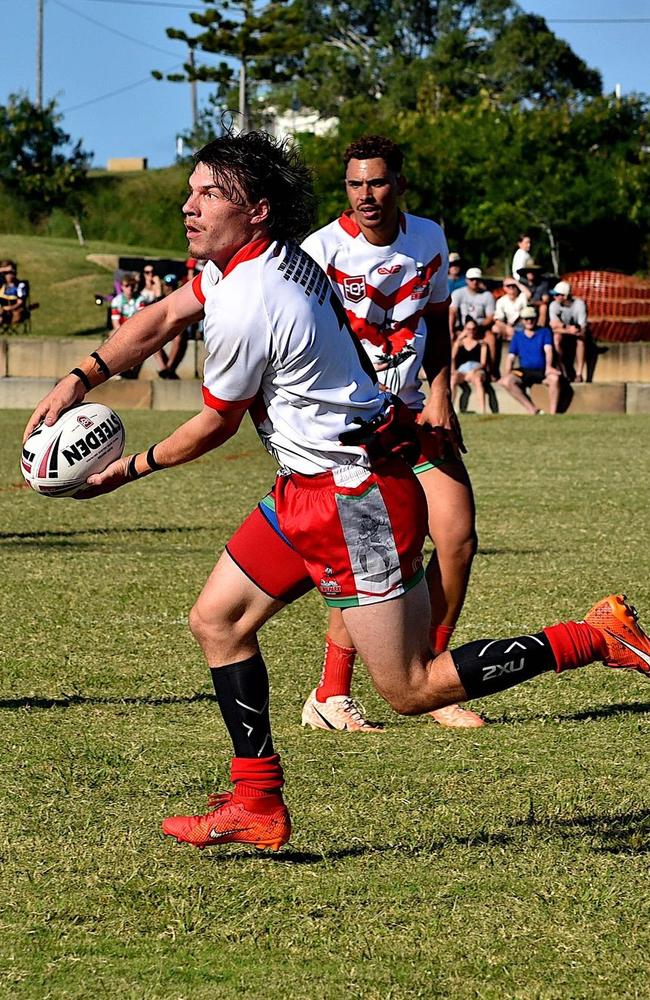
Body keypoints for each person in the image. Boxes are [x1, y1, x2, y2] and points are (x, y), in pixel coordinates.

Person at [24, 131, 650, 854]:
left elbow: (211, 427)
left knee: (412, 688)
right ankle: (256, 801)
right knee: (217, 621)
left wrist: (126, 472)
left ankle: (593, 637)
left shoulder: (252, 297)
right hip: (310, 489)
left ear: (256, 210)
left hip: (357, 500)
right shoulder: (254, 262)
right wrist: (81, 375)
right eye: (190, 190)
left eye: (208, 195)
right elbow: (163, 317)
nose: (187, 206)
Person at [300, 134, 483, 731]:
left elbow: (435, 317)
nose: (366, 195)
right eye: (355, 184)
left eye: (377, 182)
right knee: (369, 562)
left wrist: (440, 393)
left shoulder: (428, 236)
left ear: (399, 183)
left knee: (456, 538)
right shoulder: (320, 250)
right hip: (356, 425)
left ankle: (434, 677)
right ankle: (331, 695)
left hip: (416, 412)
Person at [499, 306, 565, 414]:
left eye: (532, 318)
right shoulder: (518, 336)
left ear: (536, 319)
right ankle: (532, 409)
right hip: (524, 371)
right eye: (526, 319)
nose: (529, 321)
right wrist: (507, 373)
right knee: (507, 381)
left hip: (541, 370)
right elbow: (510, 357)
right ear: (522, 320)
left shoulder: (544, 332)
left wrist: (549, 367)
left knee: (554, 379)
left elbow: (548, 351)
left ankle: (554, 413)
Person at [549, 280, 589, 383]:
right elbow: (554, 327)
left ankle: (579, 373)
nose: (555, 297)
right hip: (566, 331)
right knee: (556, 338)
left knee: (581, 340)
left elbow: (582, 328)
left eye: (557, 295)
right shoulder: (553, 305)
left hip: (576, 332)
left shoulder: (579, 304)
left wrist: (569, 329)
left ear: (565, 296)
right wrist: (567, 328)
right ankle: (562, 370)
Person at [451, 319, 489, 415]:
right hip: (462, 370)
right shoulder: (459, 343)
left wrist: (474, 370)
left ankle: (482, 410)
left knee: (478, 379)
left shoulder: (482, 344)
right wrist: (453, 370)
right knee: (453, 379)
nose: (471, 331)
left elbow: (483, 363)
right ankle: (450, 408)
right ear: (465, 330)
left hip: (476, 368)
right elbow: (452, 357)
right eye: (468, 329)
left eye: (473, 329)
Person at [492, 278, 530, 343]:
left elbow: (528, 294)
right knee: (495, 328)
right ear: (504, 288)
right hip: (509, 325)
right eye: (508, 286)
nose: (511, 287)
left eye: (513, 285)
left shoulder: (522, 296)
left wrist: (517, 283)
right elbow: (497, 320)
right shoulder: (501, 301)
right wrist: (507, 328)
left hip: (524, 324)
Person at [517, 259, 551, 327]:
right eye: (529, 271)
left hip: (536, 307)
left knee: (543, 307)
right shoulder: (521, 283)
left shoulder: (543, 283)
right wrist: (516, 283)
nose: (531, 273)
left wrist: (533, 302)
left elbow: (545, 300)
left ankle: (540, 328)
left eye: (533, 271)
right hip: (522, 306)